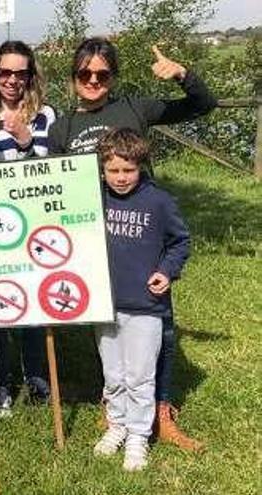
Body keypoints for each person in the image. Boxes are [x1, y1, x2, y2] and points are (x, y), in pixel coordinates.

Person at [48, 37, 215, 451]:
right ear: (73, 77)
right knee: (108, 334)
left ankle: (161, 411)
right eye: (84, 73)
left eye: (102, 74)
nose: (93, 80)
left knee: (164, 332)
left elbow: (202, 105)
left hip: (144, 236)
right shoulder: (62, 127)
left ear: (113, 77)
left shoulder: (135, 107)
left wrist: (182, 74)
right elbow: (50, 189)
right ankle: (116, 408)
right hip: (95, 246)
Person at [94, 128, 190, 471]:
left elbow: (180, 242)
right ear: (102, 168)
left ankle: (138, 434)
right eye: (113, 170)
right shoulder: (94, 198)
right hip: (104, 303)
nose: (120, 178)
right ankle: (117, 424)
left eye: (128, 170)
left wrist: (167, 270)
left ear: (141, 166)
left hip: (147, 306)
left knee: (140, 374)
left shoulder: (159, 201)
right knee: (113, 373)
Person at [0, 40, 55, 413]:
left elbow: (53, 166)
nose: (12, 80)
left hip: (34, 225)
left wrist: (25, 140)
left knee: (34, 308)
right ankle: (1, 383)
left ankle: (38, 380)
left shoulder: (45, 115)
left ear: (30, 76)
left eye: (20, 73)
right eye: (5, 72)